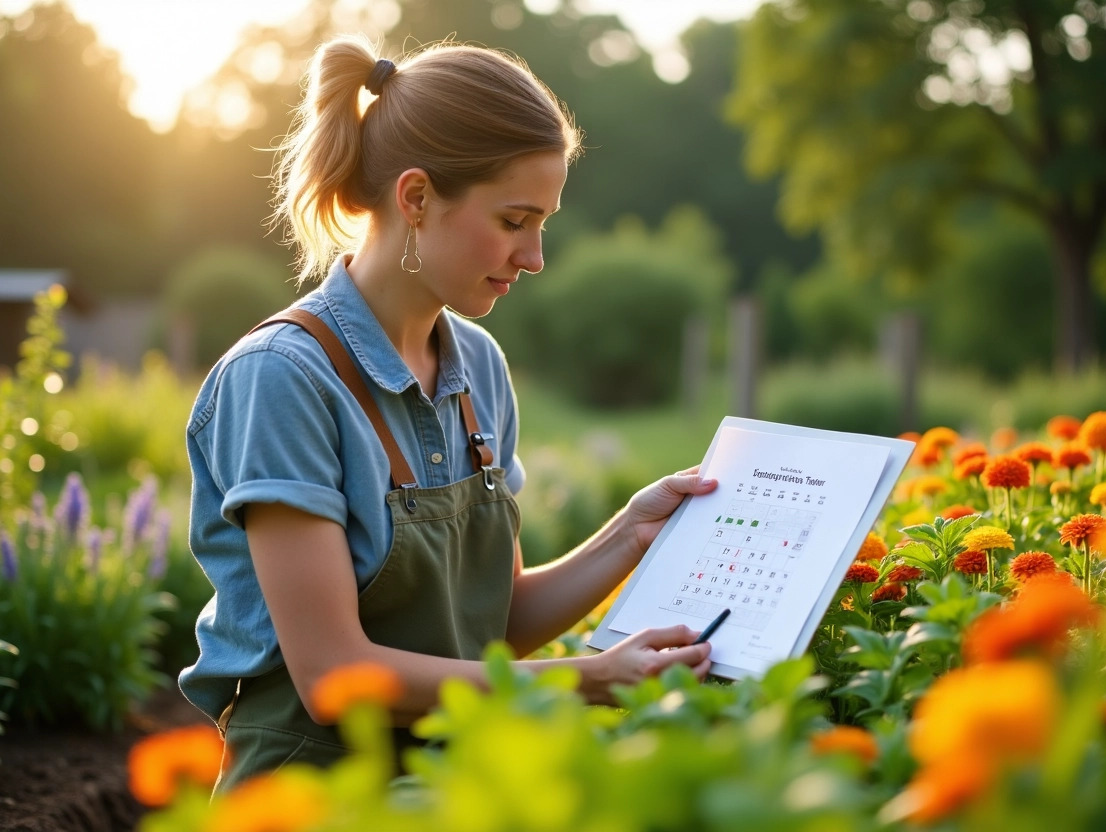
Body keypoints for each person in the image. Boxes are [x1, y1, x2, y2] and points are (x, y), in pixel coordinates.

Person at [179, 33, 717, 792]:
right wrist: (585, 679)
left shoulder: (478, 369)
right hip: (320, 792)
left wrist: (631, 531)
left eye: (544, 224)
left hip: (454, 774)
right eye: (513, 221)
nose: (533, 257)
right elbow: (333, 669)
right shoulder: (282, 379)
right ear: (417, 198)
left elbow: (488, 626)